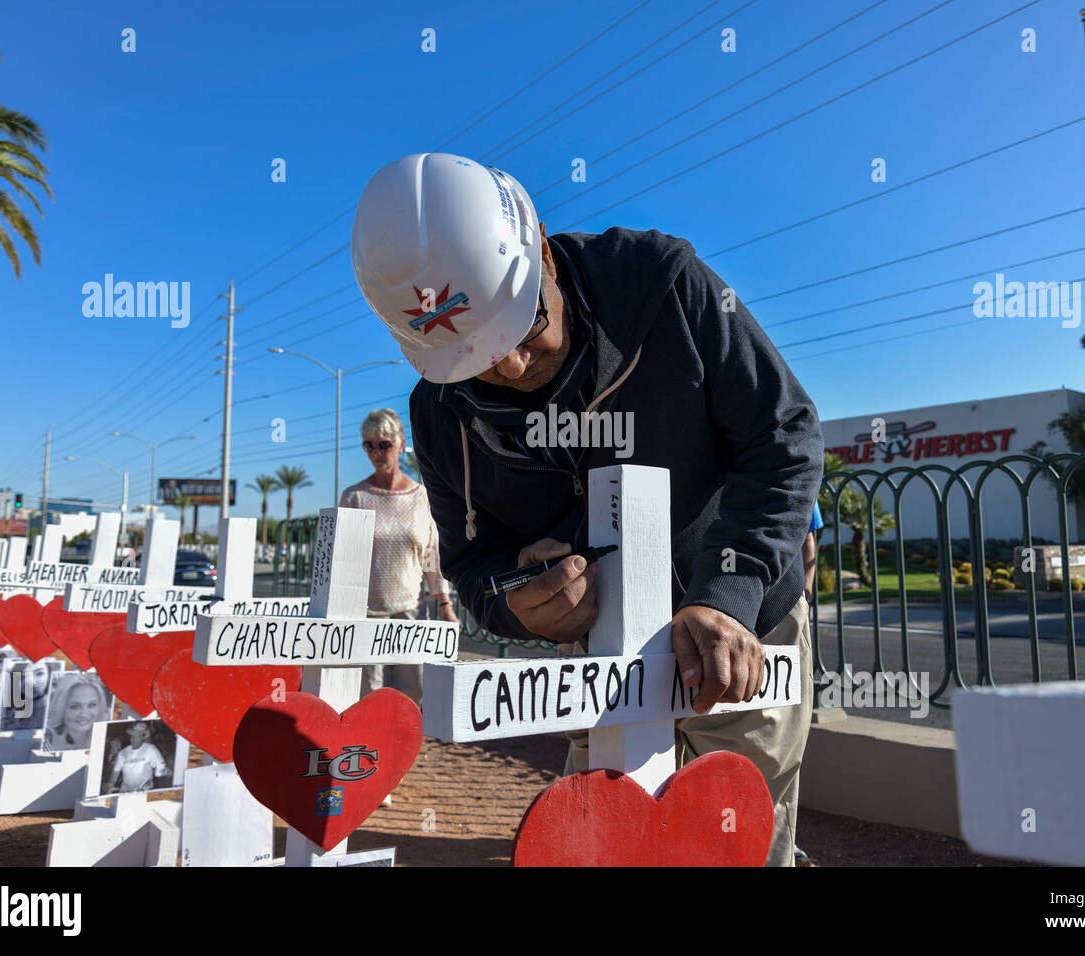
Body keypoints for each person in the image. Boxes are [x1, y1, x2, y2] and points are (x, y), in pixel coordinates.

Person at [352, 153, 823, 867]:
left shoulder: (660, 284)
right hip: (603, 663)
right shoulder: (438, 412)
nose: (511, 368)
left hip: (745, 625)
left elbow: (783, 434)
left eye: (524, 324)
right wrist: (519, 598)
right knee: (609, 841)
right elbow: (476, 564)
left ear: (540, 245)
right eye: (474, 359)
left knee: (744, 836)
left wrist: (729, 590)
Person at [339, 408, 460, 708]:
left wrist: (445, 604)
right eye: (369, 445)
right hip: (365, 617)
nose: (377, 452)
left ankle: (402, 756)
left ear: (401, 443)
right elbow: (339, 560)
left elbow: (431, 556)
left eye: (384, 444)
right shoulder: (354, 498)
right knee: (367, 699)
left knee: (409, 699)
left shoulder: (421, 498)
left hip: (410, 615)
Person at [43, 674, 109, 752]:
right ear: (61, 708)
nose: (84, 714)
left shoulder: (107, 737)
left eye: (92, 705)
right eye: (75, 707)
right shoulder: (46, 742)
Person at [108, 721, 169, 792]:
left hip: (144, 792)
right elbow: (115, 772)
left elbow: (160, 769)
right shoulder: (122, 753)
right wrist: (110, 787)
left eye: (137, 737)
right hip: (125, 792)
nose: (134, 739)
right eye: (132, 736)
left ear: (142, 738)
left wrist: (154, 778)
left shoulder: (151, 749)